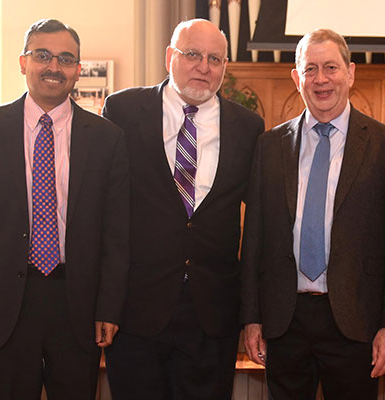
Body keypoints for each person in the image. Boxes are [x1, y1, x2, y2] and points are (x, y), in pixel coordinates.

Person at [0, 18, 129, 399]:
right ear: (23, 62)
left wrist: (110, 308)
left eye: (66, 59)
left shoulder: (107, 139)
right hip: (7, 304)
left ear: (78, 70)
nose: (54, 67)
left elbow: (116, 234)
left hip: (77, 303)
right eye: (43, 56)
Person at [101, 19, 265, 399]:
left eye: (215, 59)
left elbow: (259, 226)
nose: (204, 67)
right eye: (193, 54)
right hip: (137, 310)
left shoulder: (248, 128)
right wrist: (105, 303)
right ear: (169, 56)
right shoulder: (124, 110)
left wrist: (252, 312)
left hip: (212, 315)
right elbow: (105, 214)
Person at [240, 28, 385, 399]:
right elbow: (254, 238)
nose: (321, 79)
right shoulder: (270, 145)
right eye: (310, 69)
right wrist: (251, 317)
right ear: (296, 77)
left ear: (350, 73)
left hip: (355, 319)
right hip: (285, 319)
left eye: (330, 67)